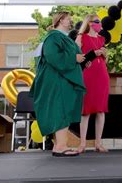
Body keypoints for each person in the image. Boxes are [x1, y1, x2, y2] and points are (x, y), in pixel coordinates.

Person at [30, 11, 86, 157]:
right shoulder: (53, 37)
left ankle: (59, 145)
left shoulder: (62, 37)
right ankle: (61, 145)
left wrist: (82, 60)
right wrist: (74, 58)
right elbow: (53, 56)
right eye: (68, 19)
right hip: (57, 79)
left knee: (62, 110)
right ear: (61, 20)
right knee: (61, 111)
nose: (71, 21)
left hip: (62, 79)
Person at [75, 14, 110, 153]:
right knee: (86, 111)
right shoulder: (81, 37)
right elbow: (76, 56)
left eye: (99, 22)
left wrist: (104, 54)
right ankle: (82, 143)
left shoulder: (102, 39)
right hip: (87, 75)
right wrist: (91, 54)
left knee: (101, 110)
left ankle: (98, 143)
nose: (99, 24)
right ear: (89, 23)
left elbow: (104, 60)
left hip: (102, 75)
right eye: (96, 22)